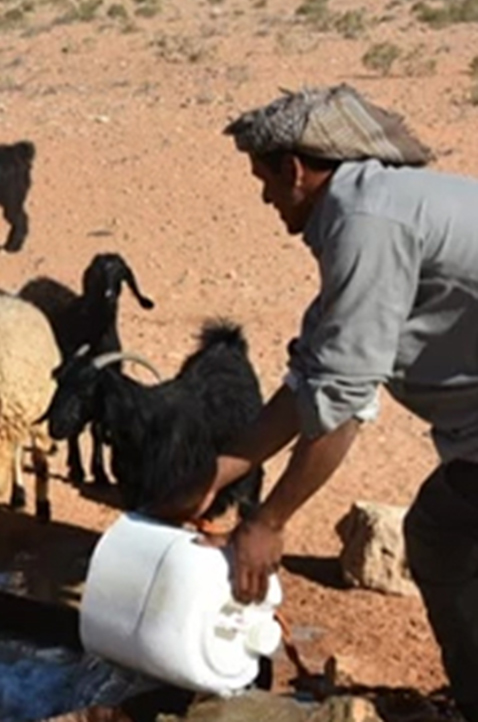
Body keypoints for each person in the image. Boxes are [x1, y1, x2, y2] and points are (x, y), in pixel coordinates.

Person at [155, 84, 478, 720]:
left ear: (296, 169)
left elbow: (345, 402)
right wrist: (216, 477)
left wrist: (267, 522)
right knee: (446, 534)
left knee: (442, 536)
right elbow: (311, 376)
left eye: (265, 180)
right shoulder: (367, 211)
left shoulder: (367, 225)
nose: (266, 197)